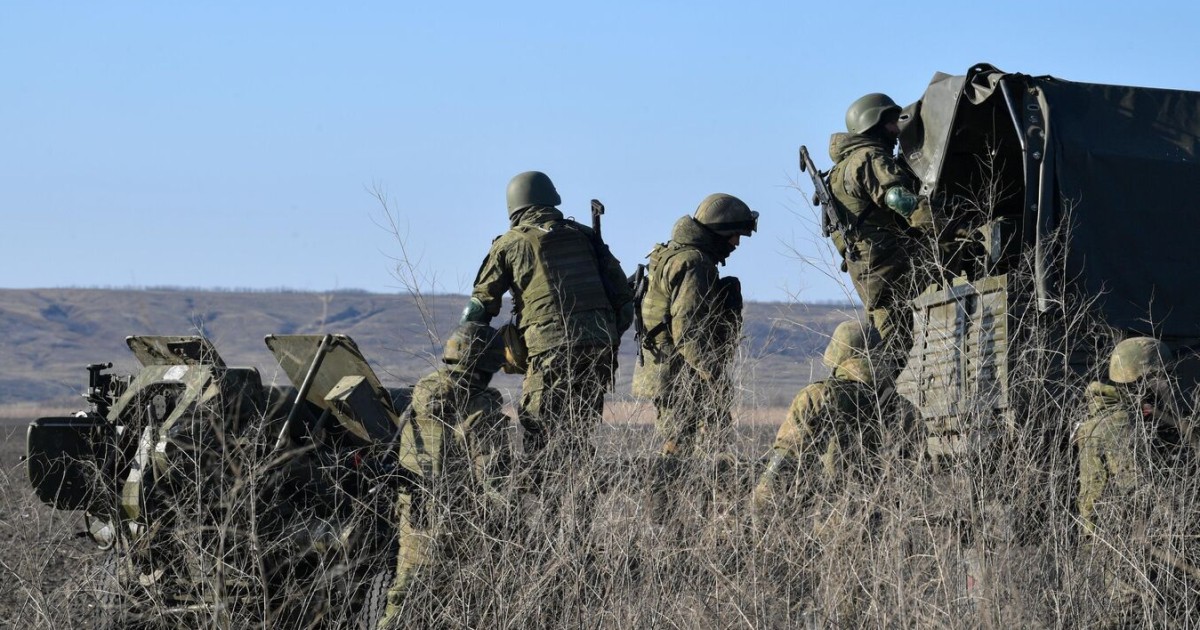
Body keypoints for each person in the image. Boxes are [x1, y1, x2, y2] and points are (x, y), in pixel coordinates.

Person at [462, 171, 633, 512]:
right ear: (550, 199)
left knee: (539, 432)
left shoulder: (510, 244)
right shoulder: (585, 236)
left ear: (515, 207)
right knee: (579, 437)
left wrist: (461, 357)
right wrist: (605, 333)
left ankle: (538, 522)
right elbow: (624, 298)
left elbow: (480, 306)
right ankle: (578, 515)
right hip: (599, 349)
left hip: (551, 351)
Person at [749, 320, 896, 625]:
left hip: (822, 531)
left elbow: (782, 466)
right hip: (885, 536)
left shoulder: (816, 398)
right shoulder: (901, 408)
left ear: (838, 354)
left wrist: (759, 514)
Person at [632, 193, 757, 524]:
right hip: (682, 377)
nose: (736, 244)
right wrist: (714, 376)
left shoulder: (674, 255)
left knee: (682, 448)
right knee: (682, 451)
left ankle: (674, 526)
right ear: (718, 232)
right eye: (734, 235)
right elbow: (687, 331)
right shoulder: (695, 264)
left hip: (673, 373)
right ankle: (663, 529)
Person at [378, 322, 513, 628]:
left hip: (415, 520)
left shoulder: (418, 401)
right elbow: (494, 482)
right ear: (489, 362)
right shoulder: (479, 409)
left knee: (403, 599)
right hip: (459, 528)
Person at [1075, 337, 1199, 624]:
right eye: (1162, 376)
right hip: (1128, 546)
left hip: (1118, 541)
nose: (1168, 382)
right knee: (1133, 615)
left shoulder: (1113, 417)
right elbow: (1142, 488)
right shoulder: (1120, 425)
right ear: (1142, 379)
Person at [827, 93, 937, 370]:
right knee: (892, 350)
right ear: (873, 125)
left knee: (886, 339)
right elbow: (896, 198)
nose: (896, 130)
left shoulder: (841, 168)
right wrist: (941, 226)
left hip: (870, 267)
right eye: (890, 123)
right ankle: (876, 406)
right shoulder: (869, 157)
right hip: (888, 263)